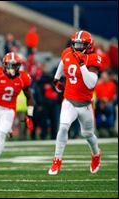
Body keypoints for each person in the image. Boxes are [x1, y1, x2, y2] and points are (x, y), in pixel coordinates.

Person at [50, 30, 102, 175]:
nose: (77, 48)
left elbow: (91, 83)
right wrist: (57, 78)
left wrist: (81, 64)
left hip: (85, 105)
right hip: (69, 101)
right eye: (76, 44)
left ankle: (96, 154)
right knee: (63, 128)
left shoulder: (93, 58)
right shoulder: (68, 52)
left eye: (81, 45)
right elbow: (63, 62)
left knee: (87, 134)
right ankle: (57, 160)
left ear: (89, 45)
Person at [0, 52, 34, 172]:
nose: (11, 68)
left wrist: (29, 115)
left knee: (1, 135)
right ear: (4, 65)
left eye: (14, 65)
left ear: (18, 66)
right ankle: (8, 129)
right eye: (8, 65)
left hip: (9, 111)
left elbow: (29, 97)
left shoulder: (24, 78)